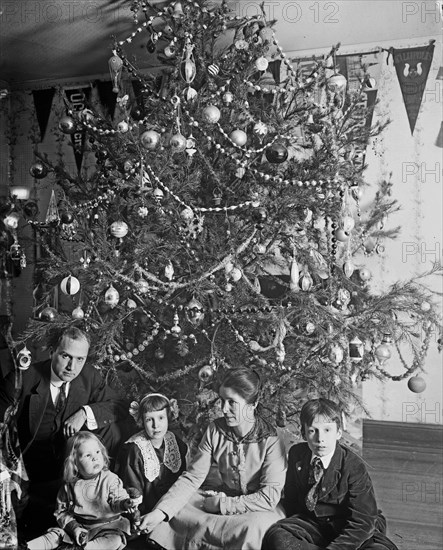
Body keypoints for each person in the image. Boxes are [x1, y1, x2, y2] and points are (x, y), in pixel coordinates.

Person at [0, 325, 134, 536]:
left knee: (113, 428)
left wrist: (85, 411)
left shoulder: (88, 376)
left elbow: (119, 404)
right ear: (52, 351)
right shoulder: (23, 379)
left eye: (80, 359)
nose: (72, 366)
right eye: (66, 356)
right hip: (30, 468)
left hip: (71, 471)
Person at [138, 367, 287, 550]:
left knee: (255, 529)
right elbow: (192, 478)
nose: (223, 409)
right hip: (222, 495)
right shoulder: (215, 430)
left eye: (232, 402)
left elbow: (268, 497)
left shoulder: (271, 440)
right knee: (180, 510)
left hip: (258, 508)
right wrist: (160, 513)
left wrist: (223, 504)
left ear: (253, 404)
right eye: (222, 401)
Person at [262, 398, 399, 550]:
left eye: (327, 430)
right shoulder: (297, 454)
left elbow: (363, 520)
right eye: (313, 431)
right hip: (314, 524)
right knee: (277, 536)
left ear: (338, 432)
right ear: (303, 433)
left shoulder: (353, 465)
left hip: (351, 526)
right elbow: (292, 499)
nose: (320, 439)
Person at [26, 431, 137, 550]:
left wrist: (126, 503)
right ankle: (26, 547)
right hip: (80, 528)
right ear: (75, 464)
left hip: (107, 527)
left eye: (97, 452)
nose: (95, 458)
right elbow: (62, 512)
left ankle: (84, 548)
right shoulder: (69, 486)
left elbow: (117, 501)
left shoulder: (110, 479)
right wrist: (75, 528)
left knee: (115, 540)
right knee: (54, 536)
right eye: (87, 455)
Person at [117, 393, 188, 517]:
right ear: (141, 421)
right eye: (149, 420)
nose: (156, 425)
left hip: (174, 505)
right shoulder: (135, 449)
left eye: (161, 418)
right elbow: (132, 488)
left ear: (168, 417)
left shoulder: (174, 441)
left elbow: (182, 478)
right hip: (147, 511)